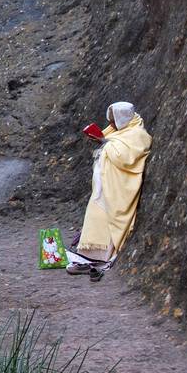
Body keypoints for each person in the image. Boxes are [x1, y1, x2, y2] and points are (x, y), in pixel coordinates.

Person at [67, 101, 151, 278]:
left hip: (117, 186)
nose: (111, 124)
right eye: (110, 120)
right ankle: (87, 255)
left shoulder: (137, 133)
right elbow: (110, 141)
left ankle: (101, 257)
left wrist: (105, 143)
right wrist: (101, 140)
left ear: (123, 118)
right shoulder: (118, 130)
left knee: (106, 220)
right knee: (95, 217)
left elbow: (125, 158)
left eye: (114, 120)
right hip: (103, 186)